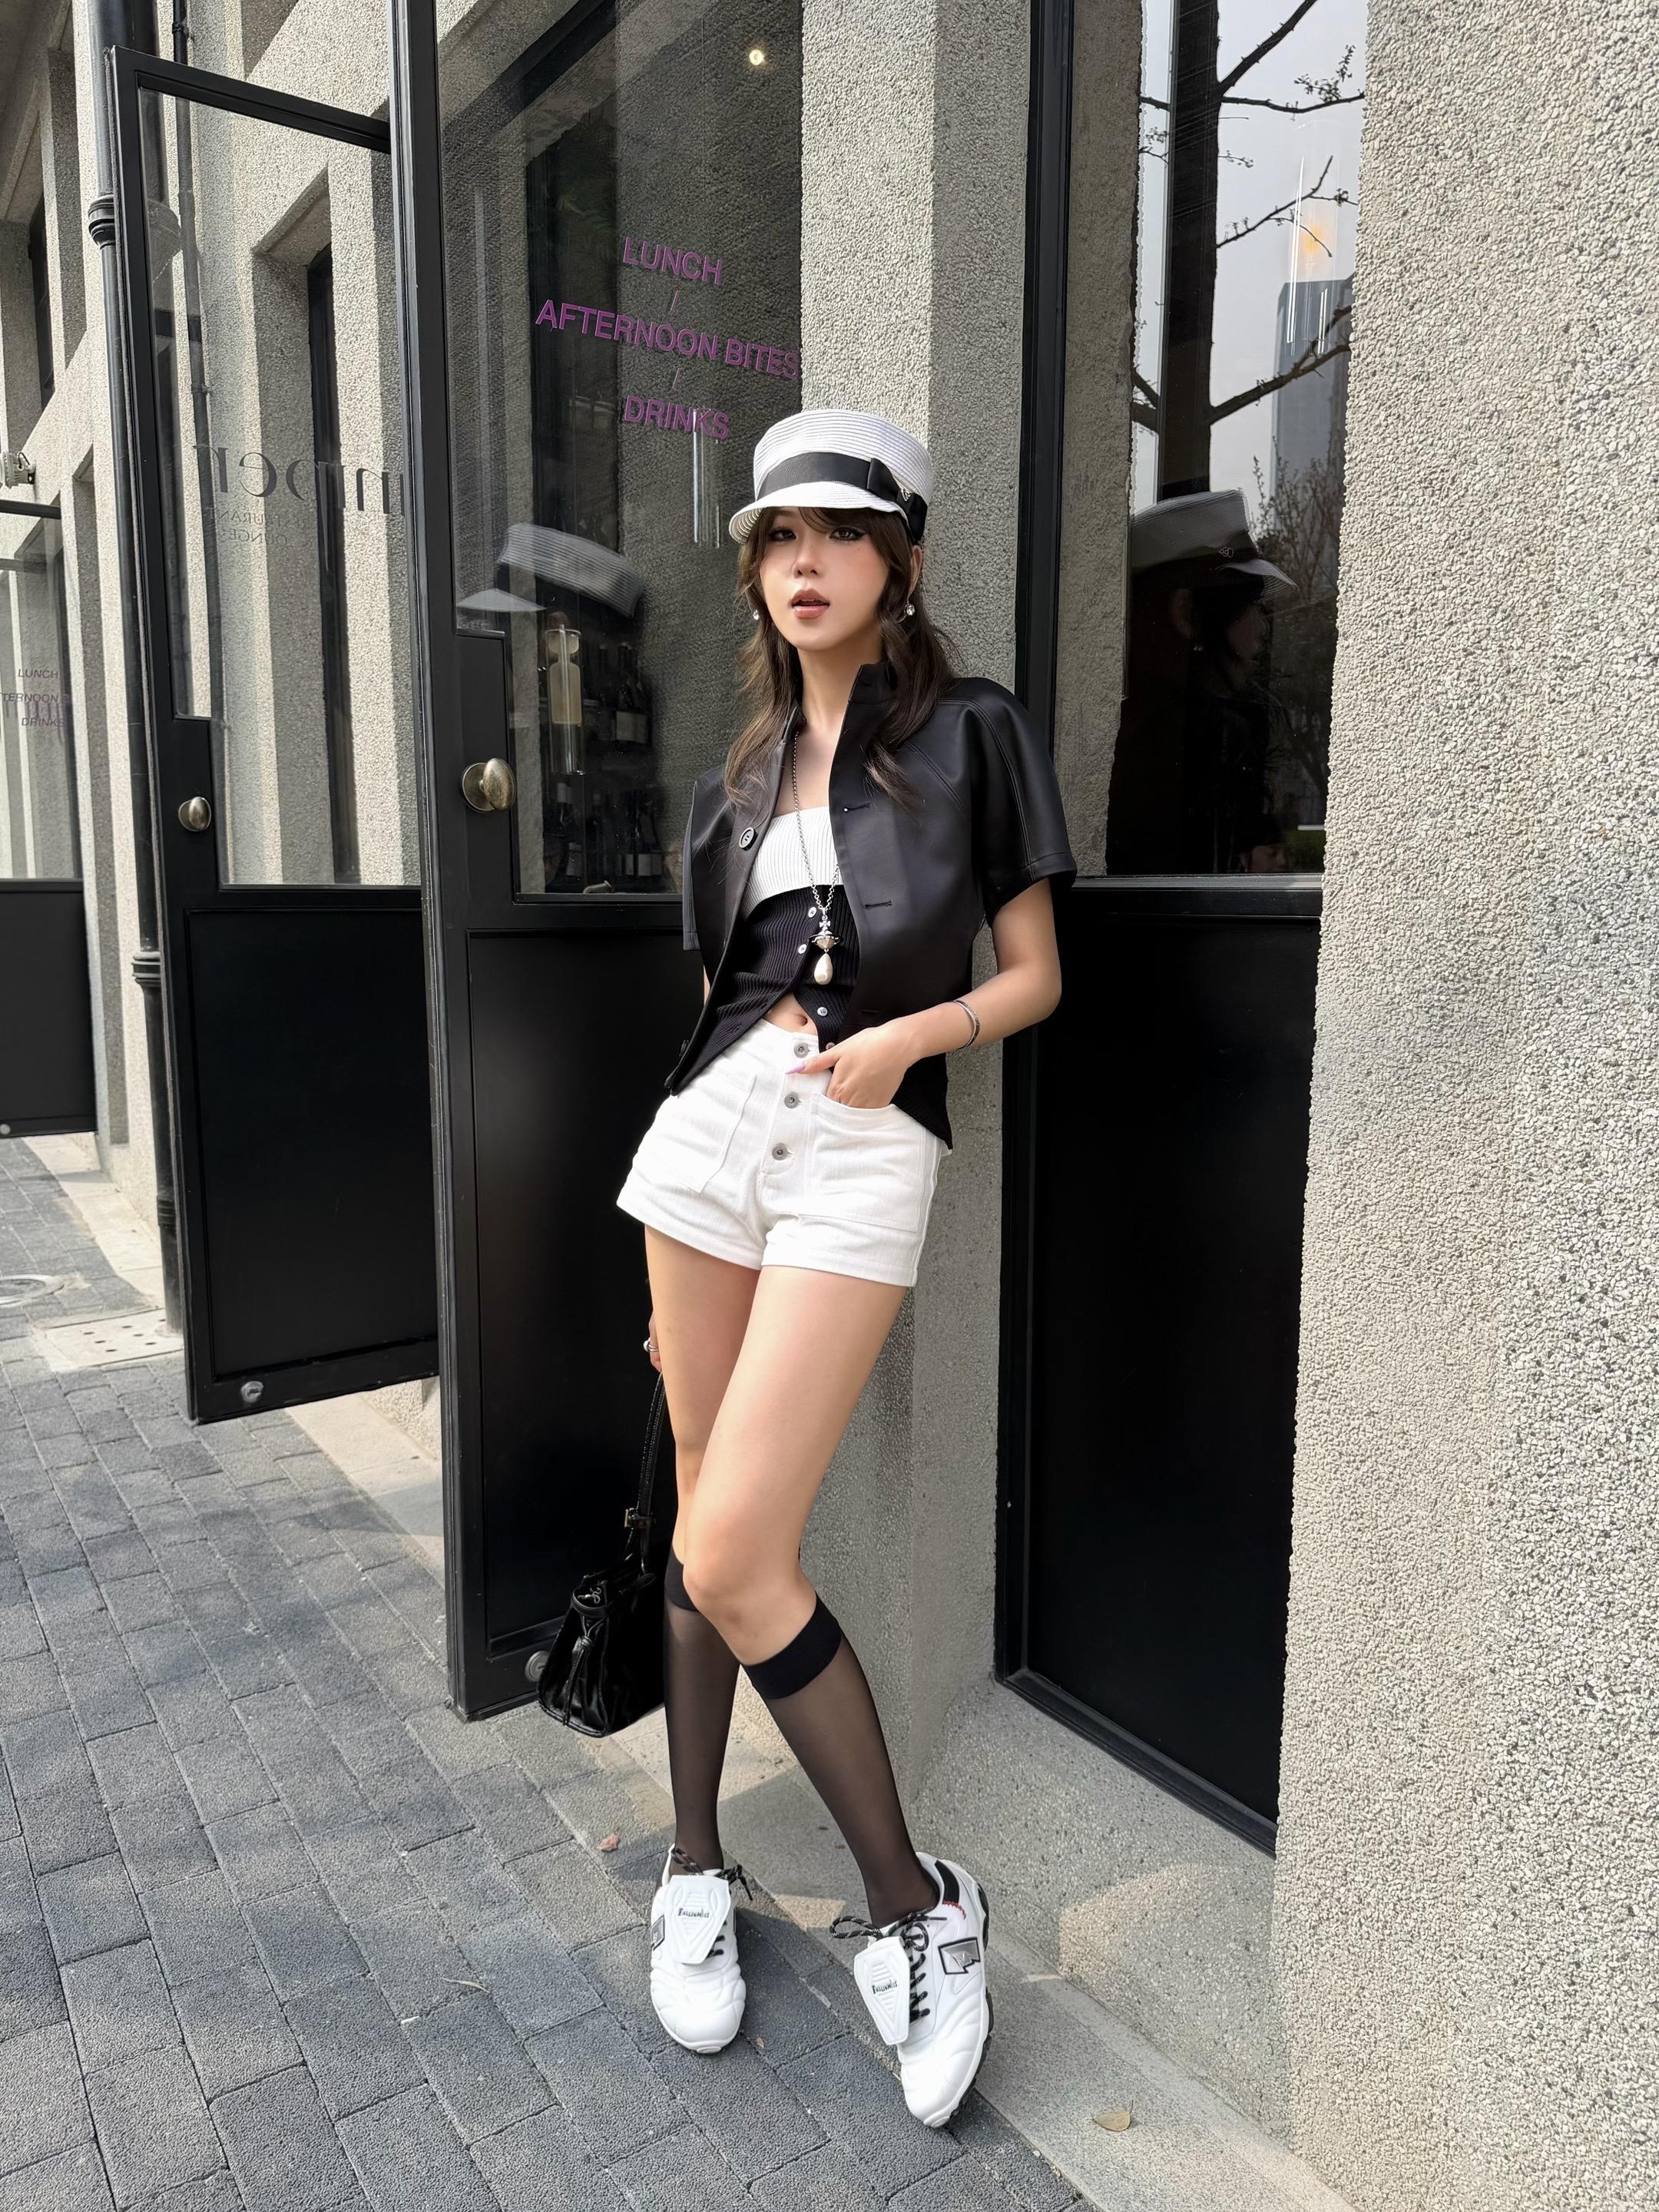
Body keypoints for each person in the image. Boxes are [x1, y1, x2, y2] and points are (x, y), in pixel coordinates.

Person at [613, 407, 1076, 2128]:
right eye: (778, 540)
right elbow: (713, 998)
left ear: (901, 559)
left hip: (866, 1139)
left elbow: (1034, 973)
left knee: (740, 1543)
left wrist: (913, 1039)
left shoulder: (971, 733)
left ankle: (915, 1904)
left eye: (839, 535)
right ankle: (694, 1866)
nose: (803, 564)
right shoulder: (732, 781)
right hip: (708, 1147)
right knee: (698, 1507)